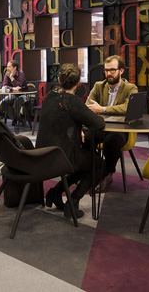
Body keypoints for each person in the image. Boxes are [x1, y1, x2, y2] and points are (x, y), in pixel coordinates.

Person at [36, 63, 106, 219]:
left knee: (84, 161)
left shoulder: (49, 97)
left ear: (59, 80)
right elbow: (98, 124)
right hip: (62, 157)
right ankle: (73, 201)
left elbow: (60, 120)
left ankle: (55, 192)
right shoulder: (72, 101)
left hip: (41, 156)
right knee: (99, 164)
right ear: (79, 83)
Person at [85, 55, 138, 194]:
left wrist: (102, 109)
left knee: (112, 141)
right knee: (84, 138)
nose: (109, 73)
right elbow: (88, 106)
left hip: (120, 130)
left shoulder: (131, 88)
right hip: (101, 127)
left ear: (121, 71)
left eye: (112, 70)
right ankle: (96, 169)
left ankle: (106, 173)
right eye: (106, 70)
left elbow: (128, 107)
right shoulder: (99, 86)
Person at [0, 60, 28, 126]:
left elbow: (19, 85)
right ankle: (19, 119)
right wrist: (12, 88)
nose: (7, 68)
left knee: (16, 104)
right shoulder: (7, 73)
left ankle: (16, 118)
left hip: (23, 95)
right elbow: (4, 85)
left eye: (9, 66)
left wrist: (12, 78)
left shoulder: (21, 73)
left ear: (14, 67)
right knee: (3, 103)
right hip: (13, 95)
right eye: (7, 66)